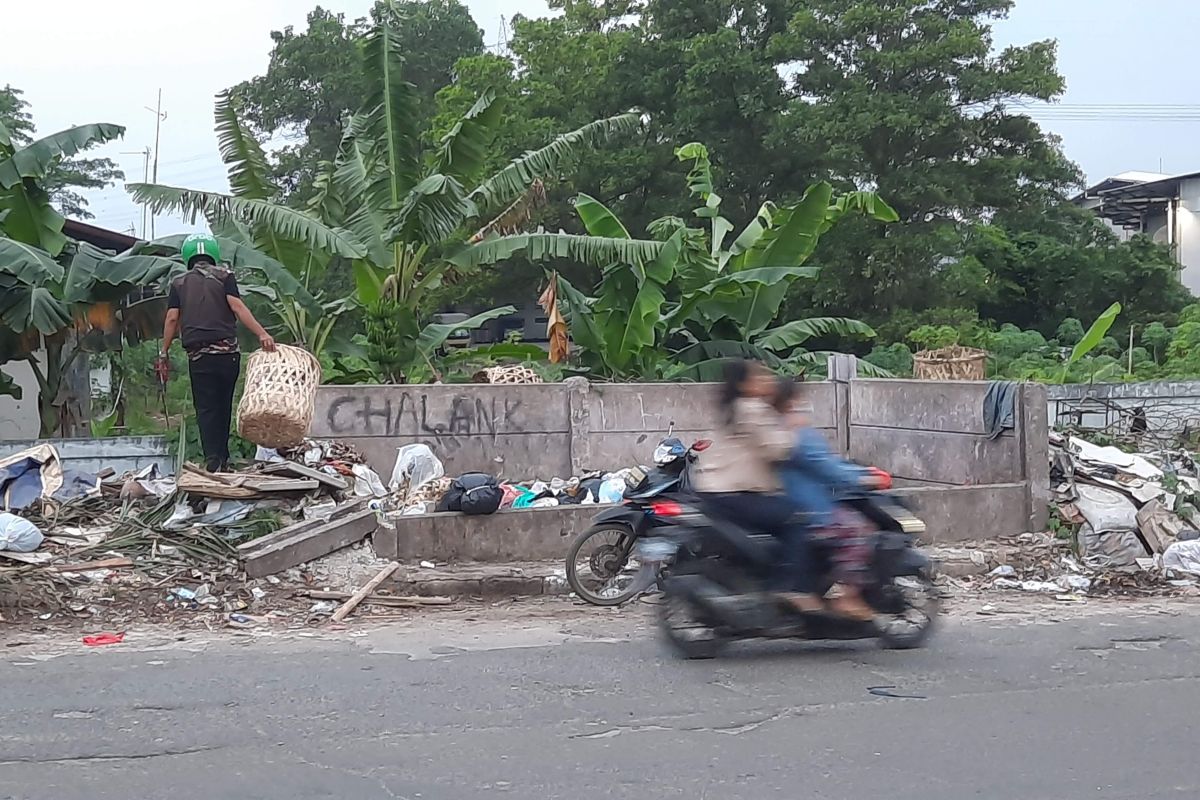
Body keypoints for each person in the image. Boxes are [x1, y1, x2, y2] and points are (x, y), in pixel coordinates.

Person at [690, 359, 823, 614]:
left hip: (716, 492)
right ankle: (791, 586)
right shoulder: (751, 409)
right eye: (759, 377)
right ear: (744, 384)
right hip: (734, 494)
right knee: (798, 516)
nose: (766, 381)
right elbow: (778, 449)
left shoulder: (733, 407)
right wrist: (794, 428)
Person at [159, 233, 276, 472]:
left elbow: (172, 318)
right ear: (213, 254)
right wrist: (262, 333)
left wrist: (164, 351)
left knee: (206, 408)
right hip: (228, 356)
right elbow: (237, 306)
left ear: (187, 256)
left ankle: (213, 460)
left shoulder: (179, 283)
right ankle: (224, 459)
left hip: (199, 357)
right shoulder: (225, 277)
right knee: (224, 406)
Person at [772, 377, 879, 621]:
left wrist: (862, 472)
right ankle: (847, 595)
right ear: (790, 402)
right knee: (858, 528)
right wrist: (863, 479)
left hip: (791, 504)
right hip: (812, 509)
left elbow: (828, 462)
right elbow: (827, 468)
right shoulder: (797, 433)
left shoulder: (777, 429)